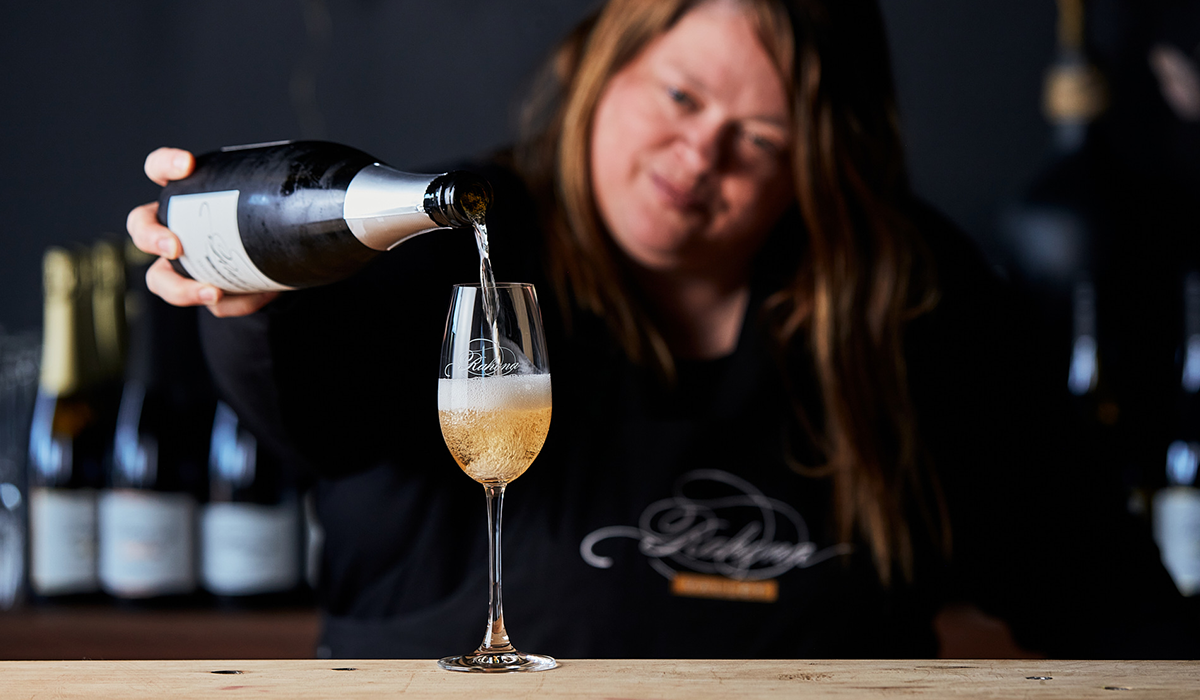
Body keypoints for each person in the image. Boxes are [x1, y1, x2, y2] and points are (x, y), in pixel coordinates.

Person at [126, 0, 1200, 658]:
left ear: (820, 163)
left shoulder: (916, 299)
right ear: (605, 62)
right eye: (682, 97)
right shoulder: (458, 236)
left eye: (760, 140)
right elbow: (314, 403)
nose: (700, 159)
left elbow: (1103, 593)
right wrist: (256, 299)